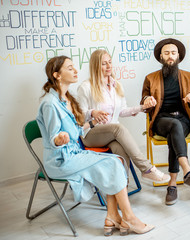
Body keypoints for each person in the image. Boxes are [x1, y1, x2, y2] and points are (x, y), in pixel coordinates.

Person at [36, 56, 154, 236]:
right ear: (57, 75)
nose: (75, 70)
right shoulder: (50, 104)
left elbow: (77, 131)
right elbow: (53, 138)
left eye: (74, 67)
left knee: (117, 160)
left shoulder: (67, 99)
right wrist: (59, 139)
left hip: (75, 154)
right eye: (70, 68)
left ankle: (112, 217)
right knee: (113, 163)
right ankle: (128, 217)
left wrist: (90, 123)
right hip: (61, 160)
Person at [77, 49, 170, 184]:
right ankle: (146, 169)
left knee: (120, 151)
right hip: (91, 135)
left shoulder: (116, 85)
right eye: (104, 64)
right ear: (96, 66)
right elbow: (80, 116)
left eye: (110, 62)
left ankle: (122, 189)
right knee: (118, 128)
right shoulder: (86, 87)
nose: (109, 66)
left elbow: (122, 111)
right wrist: (93, 113)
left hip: (111, 134)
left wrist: (142, 107)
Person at [140, 38, 190, 205]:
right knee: (173, 127)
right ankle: (188, 171)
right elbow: (144, 102)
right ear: (161, 56)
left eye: (173, 53)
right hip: (161, 120)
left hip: (182, 120)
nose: (170, 56)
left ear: (179, 56)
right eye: (167, 53)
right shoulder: (150, 78)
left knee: (174, 134)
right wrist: (147, 101)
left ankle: (172, 186)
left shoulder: (188, 76)